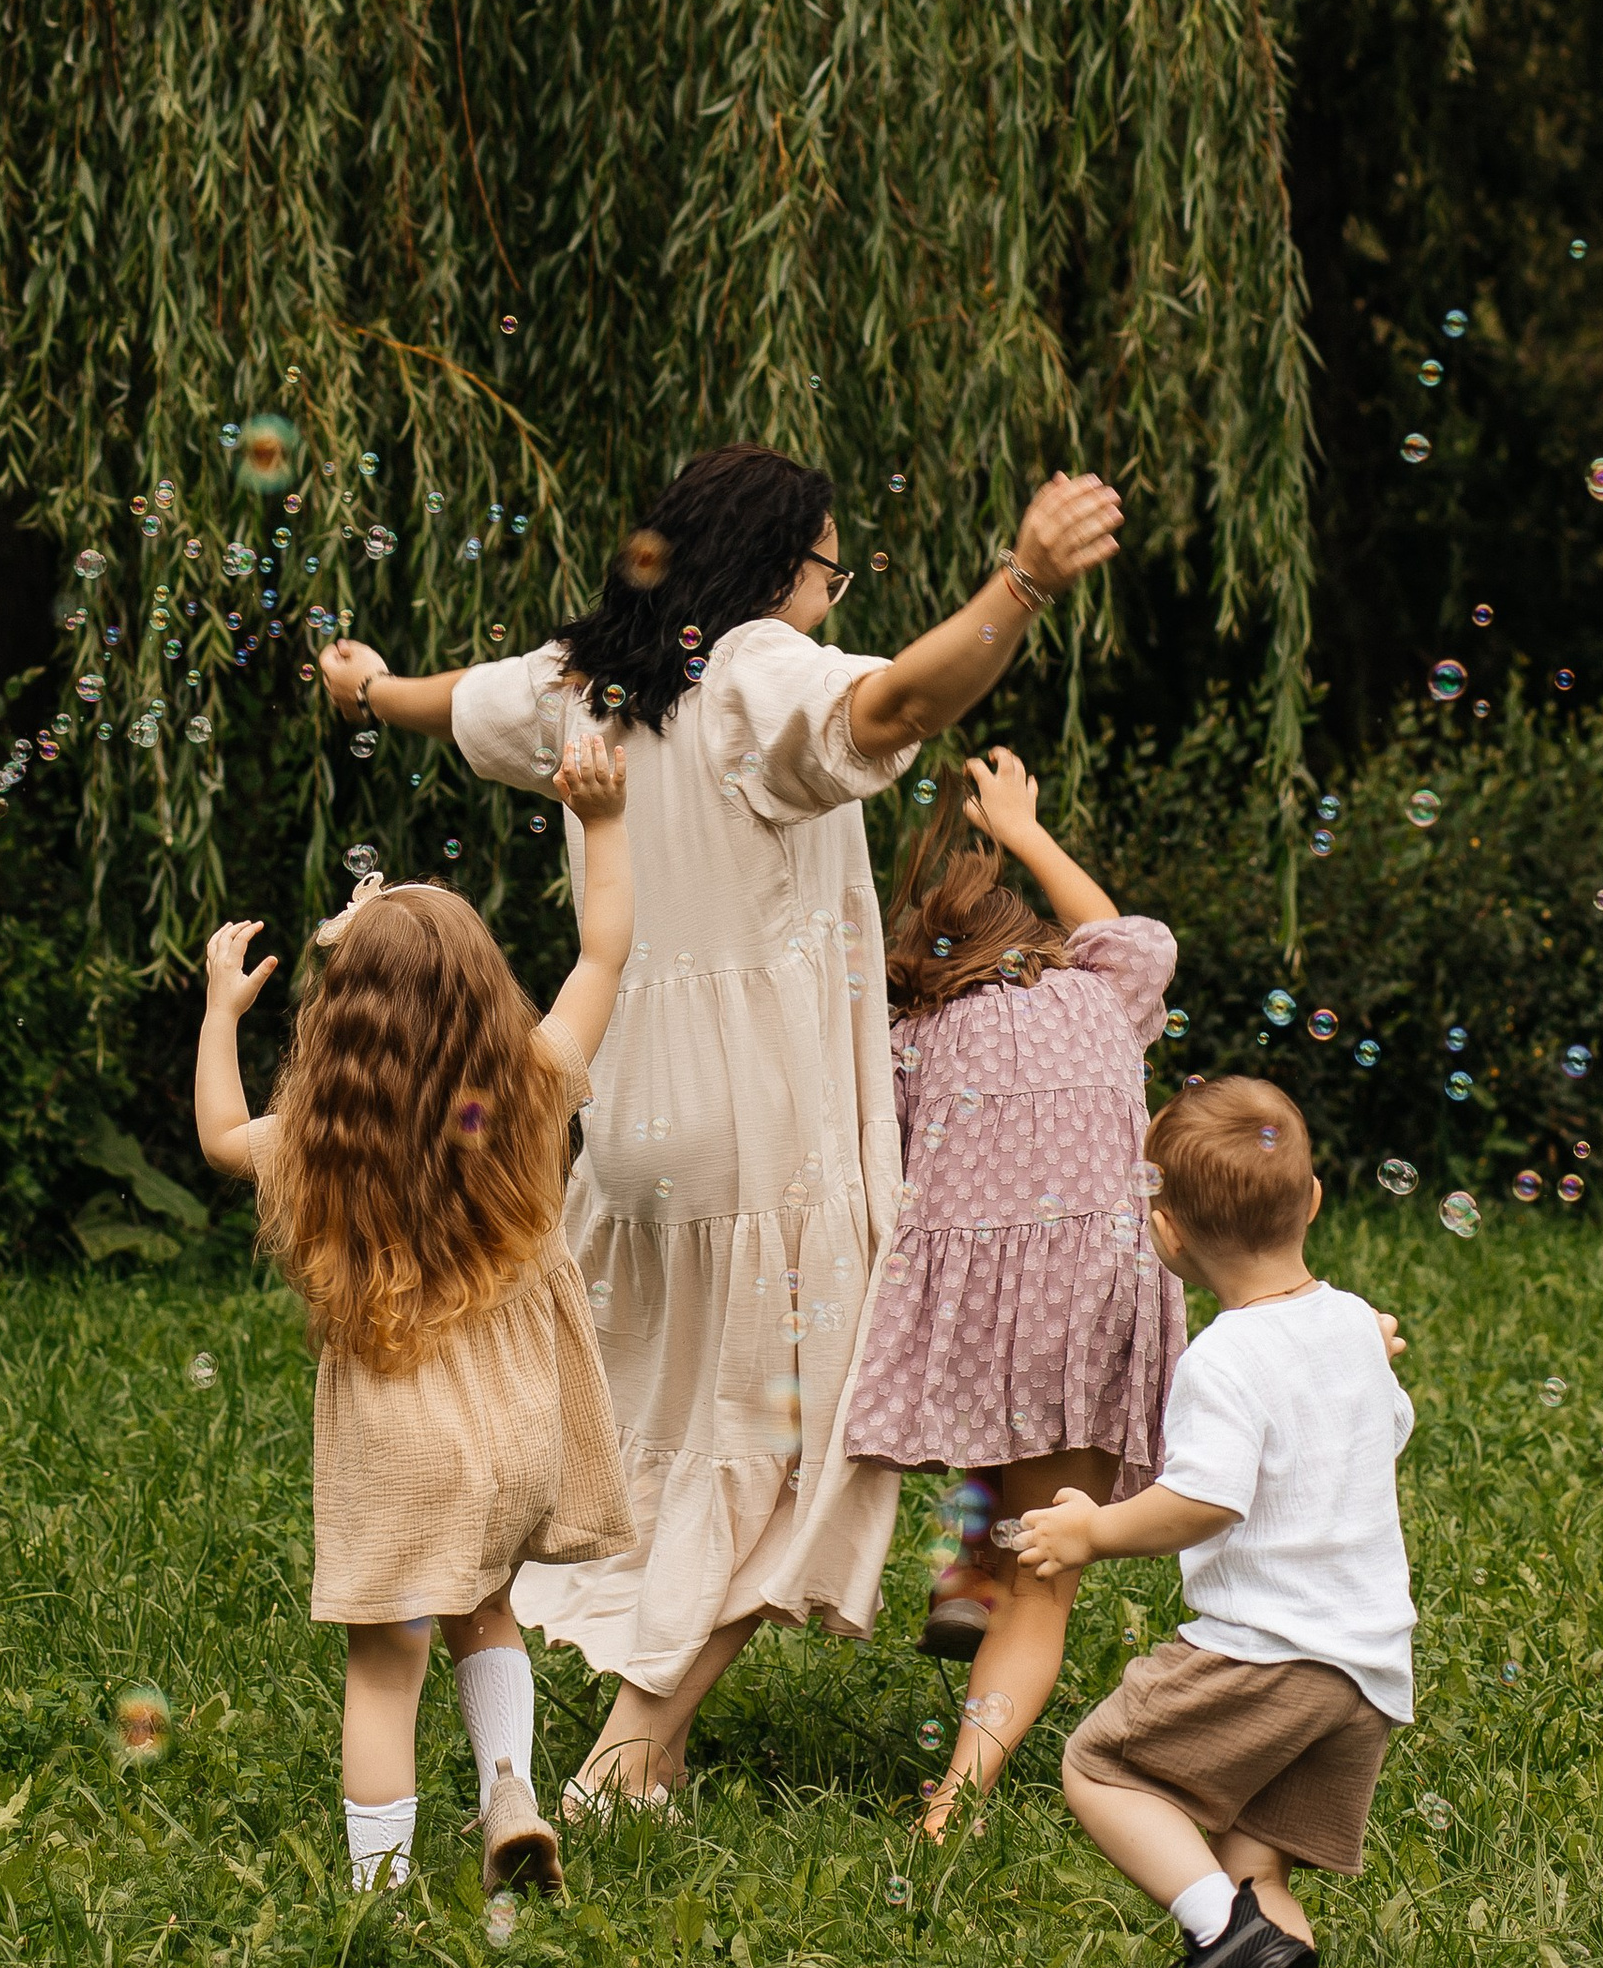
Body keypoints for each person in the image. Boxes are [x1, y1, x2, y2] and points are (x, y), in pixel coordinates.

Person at [319, 440, 1122, 1809]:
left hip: (627, 1121)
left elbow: (454, 700)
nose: (834, 591)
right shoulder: (757, 669)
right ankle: (632, 1752)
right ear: (769, 569)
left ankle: (499, 1636)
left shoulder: (584, 679)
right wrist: (1023, 587)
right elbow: (898, 702)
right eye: (827, 567)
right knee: (794, 1448)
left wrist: (363, 687)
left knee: (645, 1417)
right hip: (772, 1141)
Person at [194, 729, 634, 1896]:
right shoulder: (533, 1091)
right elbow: (604, 950)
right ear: (487, 992)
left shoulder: (321, 1143)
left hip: (398, 1450)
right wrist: (600, 822)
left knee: (384, 1669)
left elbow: (216, 1137)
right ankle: (510, 1795)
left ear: (345, 1020)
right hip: (514, 1437)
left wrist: (219, 1011)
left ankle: (377, 1907)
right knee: (486, 1610)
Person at [1015, 1077, 1413, 1968]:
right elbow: (1387, 1428)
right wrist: (1363, 1358)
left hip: (1266, 1649)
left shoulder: (1223, 1356)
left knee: (1100, 1769)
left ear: (1163, 1234)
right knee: (1255, 1862)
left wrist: (1095, 1530)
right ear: (1313, 1200)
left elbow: (1206, 1498)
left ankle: (1222, 1942)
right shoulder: (1354, 1325)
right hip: (1362, 1669)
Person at [843, 745, 1184, 1840]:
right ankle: (955, 1799)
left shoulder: (908, 1040)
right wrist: (1027, 833)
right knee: (1048, 1572)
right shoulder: (1100, 992)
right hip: (1095, 1301)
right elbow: (1132, 936)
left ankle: (962, 1559)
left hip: (979, 1317)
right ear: (1042, 946)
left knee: (996, 1418)